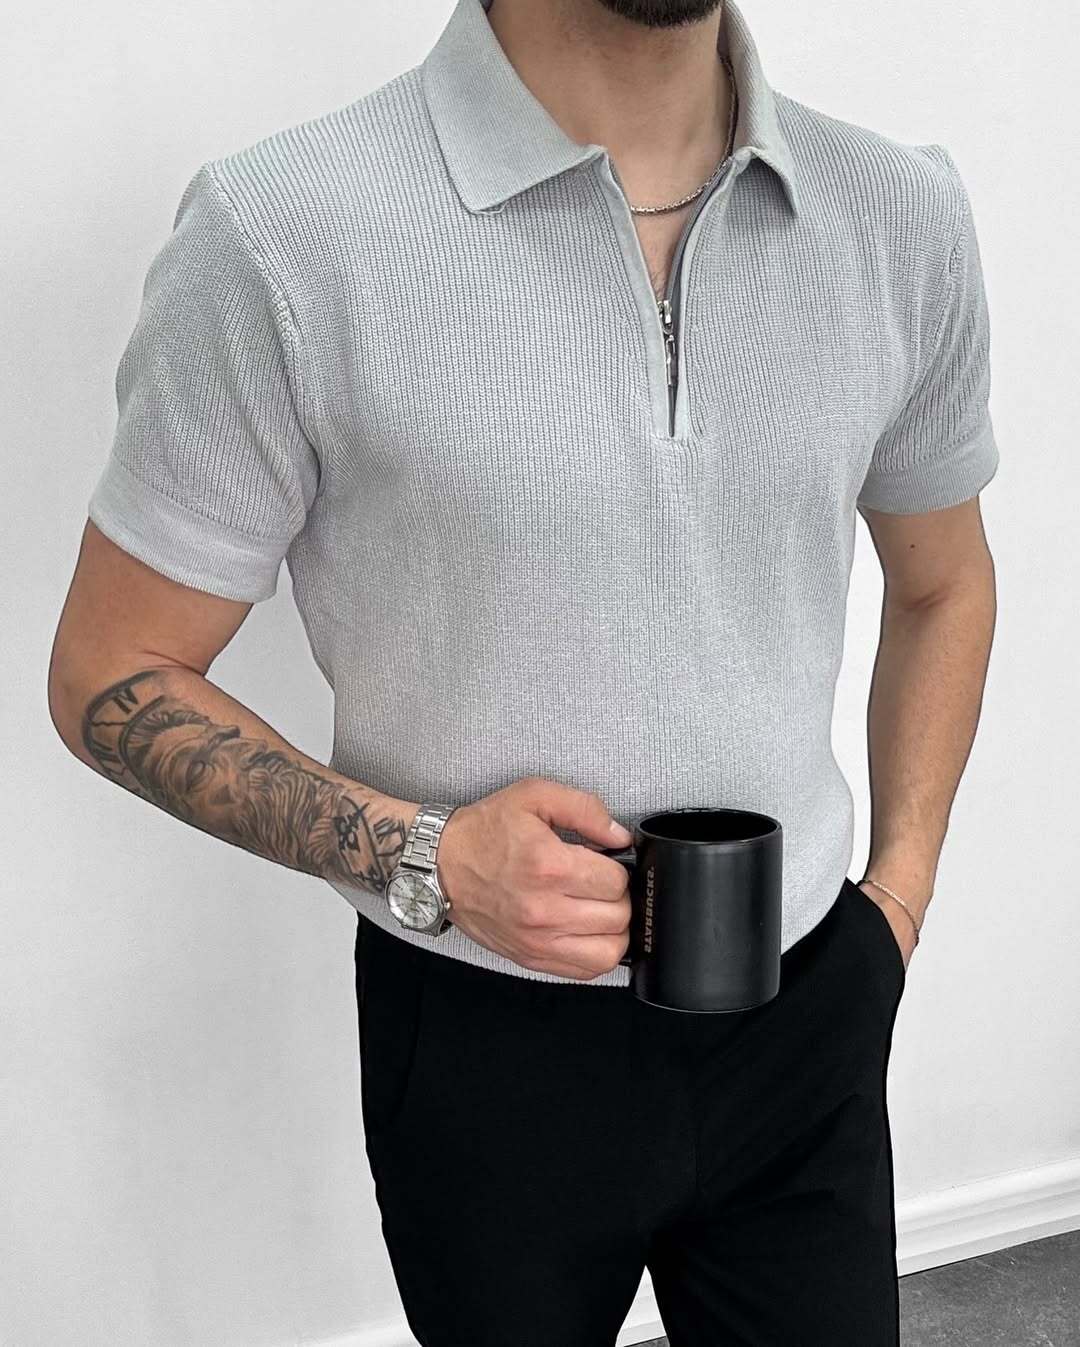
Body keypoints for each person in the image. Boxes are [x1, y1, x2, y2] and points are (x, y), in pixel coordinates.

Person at [48, 0, 1000, 1341]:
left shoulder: (899, 215)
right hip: (480, 1043)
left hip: (804, 1015)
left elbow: (944, 581)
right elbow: (112, 671)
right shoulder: (280, 233)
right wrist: (426, 854)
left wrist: (893, 906)